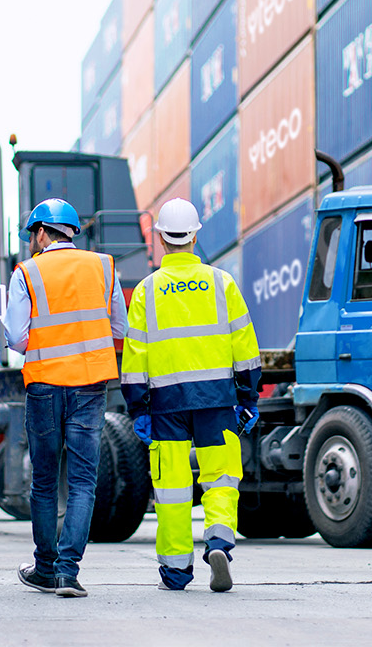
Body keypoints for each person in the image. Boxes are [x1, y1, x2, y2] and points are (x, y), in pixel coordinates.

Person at [122, 198, 261, 593]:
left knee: (172, 488)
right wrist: (248, 397)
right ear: (195, 236)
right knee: (220, 477)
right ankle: (218, 541)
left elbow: (135, 357)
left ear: (161, 239)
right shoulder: (222, 283)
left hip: (166, 406)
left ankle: (176, 571)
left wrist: (137, 407)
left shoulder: (147, 291)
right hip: (217, 402)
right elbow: (245, 346)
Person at [2, 197, 126, 598]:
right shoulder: (104, 267)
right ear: (73, 231)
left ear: (40, 232)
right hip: (91, 385)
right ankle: (69, 573)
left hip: (44, 384)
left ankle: (45, 567)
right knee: (83, 481)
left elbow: (15, 338)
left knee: (43, 479)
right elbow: (119, 328)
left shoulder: (27, 272)